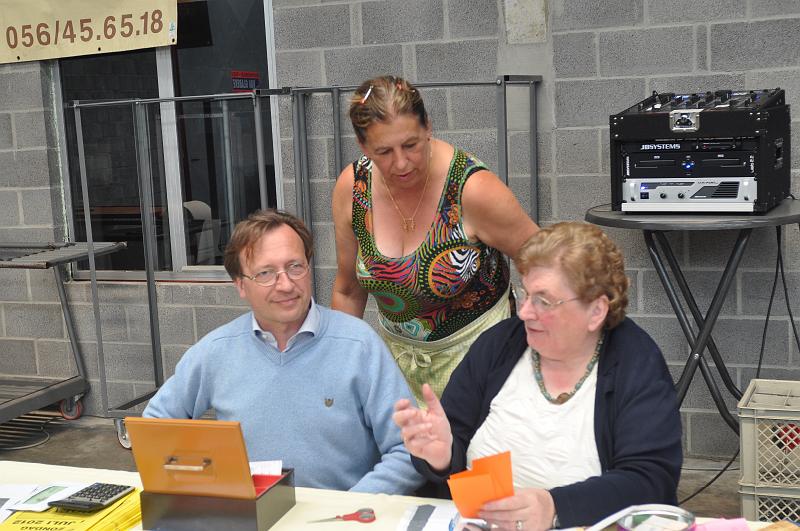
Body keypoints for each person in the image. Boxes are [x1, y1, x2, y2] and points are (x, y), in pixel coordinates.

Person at [393, 222, 682, 530]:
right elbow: (454, 446)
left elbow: (650, 481)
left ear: (596, 311)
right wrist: (442, 455)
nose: (525, 312)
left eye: (544, 301)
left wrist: (554, 507)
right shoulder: (499, 345)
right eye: (526, 294)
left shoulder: (635, 363)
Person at [143, 209, 423, 495]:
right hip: (251, 512)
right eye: (265, 273)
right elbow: (154, 428)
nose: (286, 284)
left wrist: (350, 508)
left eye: (295, 267)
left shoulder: (359, 345)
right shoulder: (216, 351)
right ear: (240, 285)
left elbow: (408, 449)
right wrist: (214, 490)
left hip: (342, 513)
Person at [332, 75, 539, 403]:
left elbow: (546, 263)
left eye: (411, 145)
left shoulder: (472, 189)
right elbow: (348, 291)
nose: (401, 163)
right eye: (383, 151)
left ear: (428, 126)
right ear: (363, 146)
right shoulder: (353, 188)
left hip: (481, 364)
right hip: (399, 368)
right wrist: (337, 368)